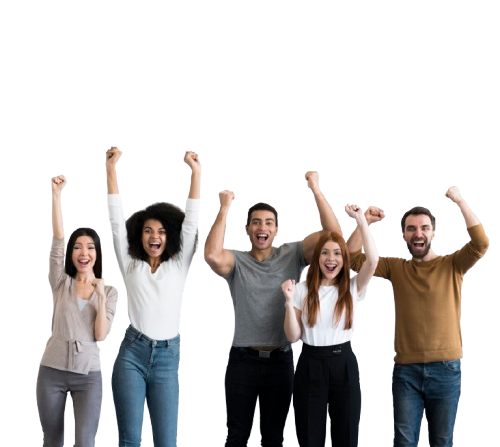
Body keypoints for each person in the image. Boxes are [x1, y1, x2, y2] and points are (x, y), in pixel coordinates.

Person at [204, 171, 343, 447]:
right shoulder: (237, 260)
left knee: (273, 437)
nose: (262, 227)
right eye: (256, 222)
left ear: (276, 230)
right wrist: (223, 209)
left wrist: (315, 189)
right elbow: (211, 254)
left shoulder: (292, 253)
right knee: (236, 435)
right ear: (247, 229)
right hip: (242, 360)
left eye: (268, 223)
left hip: (281, 360)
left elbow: (334, 236)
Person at [346, 187, 490, 447]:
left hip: (446, 370)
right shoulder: (397, 268)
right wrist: (363, 222)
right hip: (406, 372)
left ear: (433, 233)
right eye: (411, 228)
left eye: (424, 227)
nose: (418, 233)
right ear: (404, 235)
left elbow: (481, 244)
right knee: (403, 441)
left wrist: (458, 199)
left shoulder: (452, 264)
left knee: (442, 441)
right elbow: (353, 258)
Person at [106, 146, 201, 447]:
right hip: (132, 354)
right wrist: (112, 170)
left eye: (160, 231)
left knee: (166, 441)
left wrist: (195, 172)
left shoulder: (179, 263)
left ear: (168, 236)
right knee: (131, 440)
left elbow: (191, 223)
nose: (154, 236)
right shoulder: (130, 262)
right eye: (148, 231)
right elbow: (115, 220)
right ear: (141, 235)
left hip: (167, 356)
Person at [281, 204, 378, 447]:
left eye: (337, 253)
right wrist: (287, 301)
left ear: (343, 259)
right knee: (309, 434)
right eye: (325, 253)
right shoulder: (301, 290)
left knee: (346, 435)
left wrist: (360, 220)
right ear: (317, 258)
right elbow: (293, 336)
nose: (331, 259)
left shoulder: (351, 287)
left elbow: (373, 260)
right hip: (310, 362)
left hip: (343, 362)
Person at [37, 174, 118, 447]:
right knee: (53, 441)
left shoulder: (109, 292)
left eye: (90, 247)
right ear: (72, 253)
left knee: (86, 442)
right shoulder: (61, 282)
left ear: (97, 253)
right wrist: (57, 196)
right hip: (52, 370)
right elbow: (57, 242)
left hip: (88, 376)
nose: (84, 252)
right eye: (79, 247)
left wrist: (100, 297)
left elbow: (100, 336)